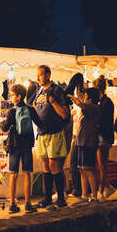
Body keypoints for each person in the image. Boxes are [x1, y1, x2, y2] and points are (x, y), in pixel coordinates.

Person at [0, 84, 44, 213]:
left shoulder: (12, 111)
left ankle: (13, 203)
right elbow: (40, 124)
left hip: (14, 146)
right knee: (27, 174)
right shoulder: (30, 109)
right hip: (27, 145)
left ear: (18, 96)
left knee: (13, 174)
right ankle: (28, 204)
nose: (11, 97)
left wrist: (3, 122)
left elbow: (4, 128)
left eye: (13, 95)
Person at [34, 65, 70, 209]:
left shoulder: (56, 90)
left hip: (54, 132)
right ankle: (48, 197)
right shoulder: (39, 91)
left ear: (48, 75)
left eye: (41, 74)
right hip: (42, 133)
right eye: (37, 75)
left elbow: (65, 113)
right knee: (45, 166)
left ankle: (61, 198)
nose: (38, 78)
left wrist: (53, 101)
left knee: (54, 165)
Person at [68, 88, 101, 203]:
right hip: (81, 142)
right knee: (81, 169)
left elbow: (80, 104)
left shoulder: (94, 108)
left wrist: (71, 96)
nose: (84, 99)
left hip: (88, 143)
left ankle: (94, 196)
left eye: (86, 97)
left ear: (90, 99)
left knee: (89, 170)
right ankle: (84, 195)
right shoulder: (88, 109)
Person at [64, 73, 85, 197]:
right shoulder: (80, 97)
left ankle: (79, 190)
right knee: (75, 164)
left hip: (81, 135)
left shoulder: (81, 97)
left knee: (77, 164)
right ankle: (77, 189)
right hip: (76, 134)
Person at [94, 76, 114, 199]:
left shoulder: (106, 102)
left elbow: (104, 120)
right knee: (98, 165)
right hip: (98, 135)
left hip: (103, 136)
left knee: (102, 165)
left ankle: (101, 190)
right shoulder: (100, 101)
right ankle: (105, 188)